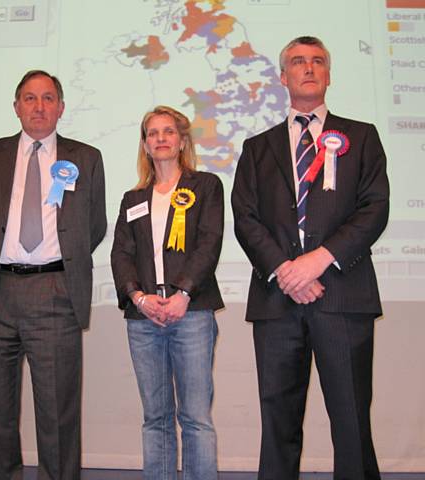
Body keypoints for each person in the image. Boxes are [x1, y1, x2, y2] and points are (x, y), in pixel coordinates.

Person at [231, 36, 390, 479]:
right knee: (278, 423)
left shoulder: (361, 137)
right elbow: (245, 217)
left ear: (328, 75)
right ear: (283, 77)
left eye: (318, 61)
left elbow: (375, 206)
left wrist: (319, 259)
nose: (309, 68)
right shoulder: (257, 148)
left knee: (352, 421)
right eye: (298, 62)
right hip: (277, 301)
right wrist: (286, 270)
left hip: (343, 295)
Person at [0, 70, 107, 480]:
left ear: (61, 107)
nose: (39, 106)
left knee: (58, 409)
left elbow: (93, 226)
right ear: (16, 107)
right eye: (29, 98)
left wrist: (55, 265)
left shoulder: (86, 157)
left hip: (56, 292)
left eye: (47, 98)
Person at [110, 106, 224, 480]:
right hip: (143, 319)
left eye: (168, 131)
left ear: (181, 141)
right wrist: (138, 298)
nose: (160, 138)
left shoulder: (205, 186)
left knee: (195, 417)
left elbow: (209, 243)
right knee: (155, 417)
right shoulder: (133, 198)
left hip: (190, 313)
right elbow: (121, 253)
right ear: (145, 144)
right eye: (153, 133)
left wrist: (183, 294)